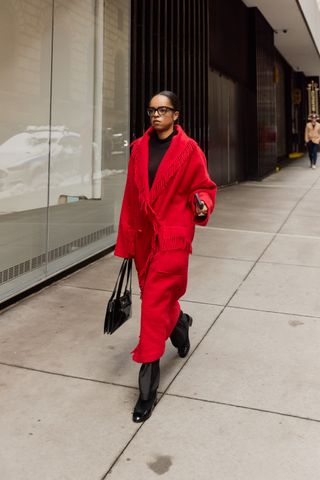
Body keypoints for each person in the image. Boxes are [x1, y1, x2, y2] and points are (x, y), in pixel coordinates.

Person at [114, 91, 217, 423]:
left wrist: (201, 202)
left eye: (163, 110)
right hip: (145, 240)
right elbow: (132, 197)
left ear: (176, 115)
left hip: (172, 237)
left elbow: (203, 186)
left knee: (154, 302)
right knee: (157, 300)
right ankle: (181, 323)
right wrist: (127, 243)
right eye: (152, 110)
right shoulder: (138, 149)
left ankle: (147, 388)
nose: (156, 115)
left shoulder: (189, 150)